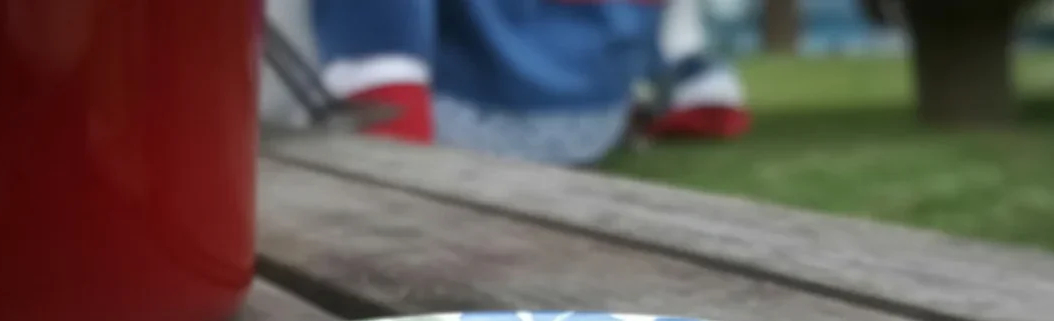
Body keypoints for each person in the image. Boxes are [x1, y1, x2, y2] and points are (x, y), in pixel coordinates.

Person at [309, 0, 749, 166]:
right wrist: (703, 88)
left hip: (455, 125)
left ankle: (385, 131)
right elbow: (674, 35)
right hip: (596, 121)